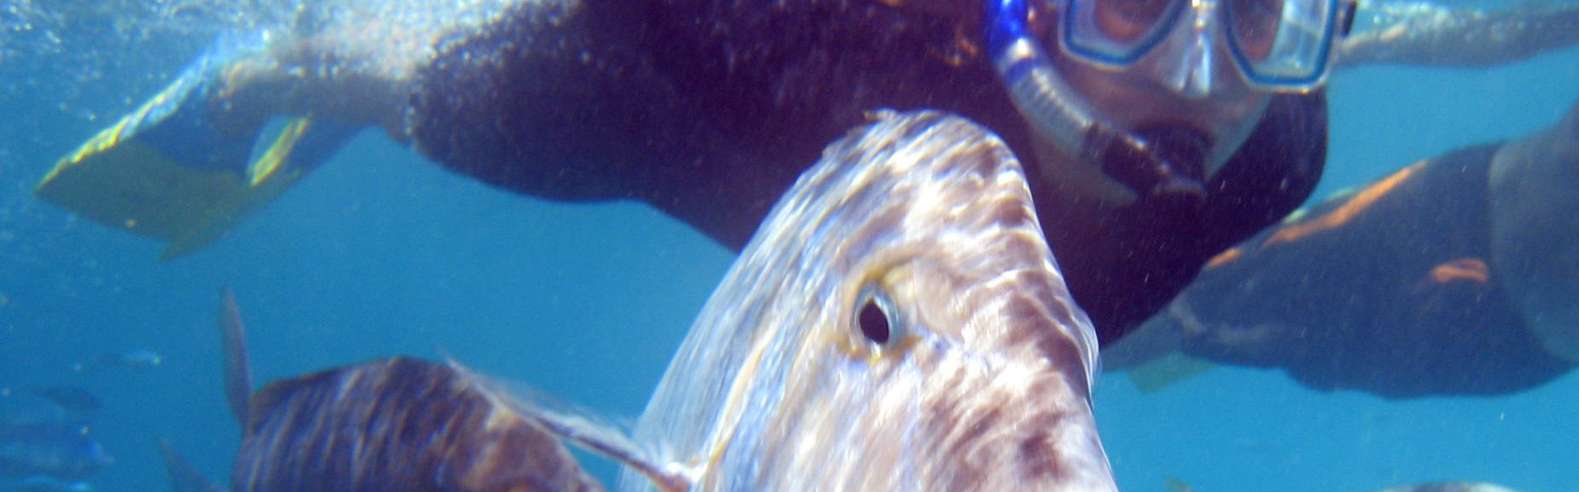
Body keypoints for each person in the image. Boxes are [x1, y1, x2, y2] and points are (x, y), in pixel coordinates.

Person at [36, 0, 1359, 345]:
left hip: (857, 248)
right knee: (442, 95)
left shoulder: (1274, 148)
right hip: (671, 115)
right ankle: (273, 69)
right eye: (1127, 1)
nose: (1198, 72)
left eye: (1263, 9)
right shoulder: (829, 50)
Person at [1113, 0, 1579, 395]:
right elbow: (1516, 31)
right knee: (1205, 297)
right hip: (1462, 207)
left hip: (1518, 343)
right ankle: (1028, 375)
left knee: (1235, 330)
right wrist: (1343, 47)